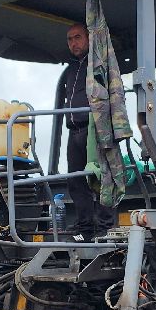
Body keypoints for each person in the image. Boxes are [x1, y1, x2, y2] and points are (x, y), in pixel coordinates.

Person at [55, 22, 103, 238]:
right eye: (69, 39)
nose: (73, 43)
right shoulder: (70, 69)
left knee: (99, 178)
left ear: (88, 38)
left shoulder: (98, 64)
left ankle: (104, 226)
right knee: (75, 180)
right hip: (73, 130)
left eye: (77, 37)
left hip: (93, 130)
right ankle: (85, 226)